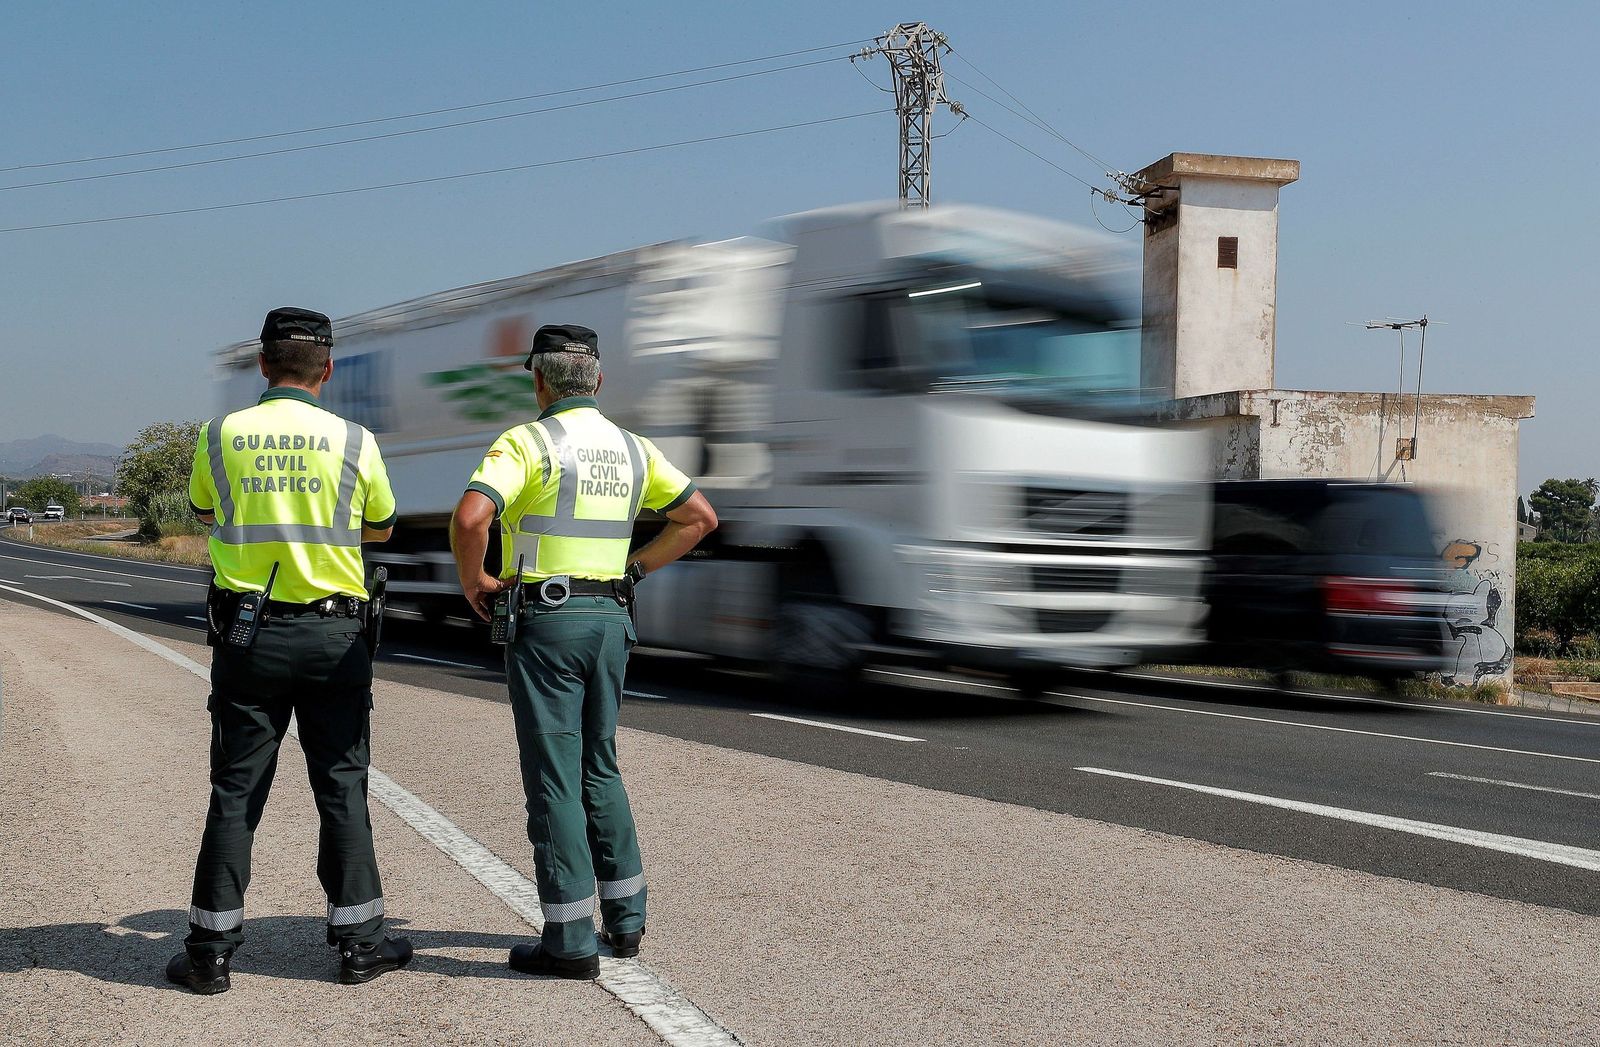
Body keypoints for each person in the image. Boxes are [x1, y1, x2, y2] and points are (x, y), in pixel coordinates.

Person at [450, 323, 716, 979]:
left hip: (548, 619)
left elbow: (470, 517)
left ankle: (568, 940)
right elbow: (700, 518)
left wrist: (474, 580)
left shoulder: (527, 441)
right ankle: (624, 922)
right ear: (597, 379)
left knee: (555, 776)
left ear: (537, 379)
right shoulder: (632, 449)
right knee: (599, 764)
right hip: (610, 618)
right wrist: (635, 570)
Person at [167, 307, 411, 994]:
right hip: (336, 638)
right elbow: (383, 527)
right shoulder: (356, 441)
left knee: (236, 788)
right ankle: (360, 945)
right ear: (327, 371)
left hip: (249, 636)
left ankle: (210, 953)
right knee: (341, 783)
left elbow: (206, 511)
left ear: (263, 365)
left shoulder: (221, 435)